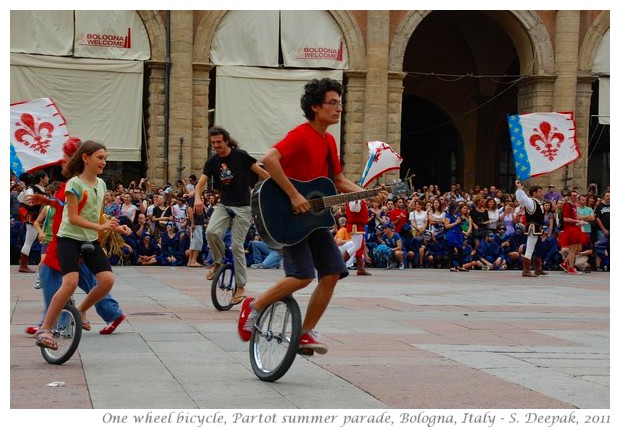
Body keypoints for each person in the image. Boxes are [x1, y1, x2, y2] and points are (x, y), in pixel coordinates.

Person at [237, 77, 385, 355]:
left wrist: (368, 193)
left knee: (332, 272)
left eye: (340, 103)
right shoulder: (301, 134)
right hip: (287, 217)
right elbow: (269, 159)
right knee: (303, 276)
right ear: (316, 107)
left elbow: (338, 180)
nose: (338, 108)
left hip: (314, 221)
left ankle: (305, 332)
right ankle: (253, 306)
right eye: (332, 103)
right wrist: (294, 194)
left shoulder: (329, 141)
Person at [34, 141, 131, 350]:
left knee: (107, 281)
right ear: (85, 158)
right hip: (68, 239)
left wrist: (114, 228)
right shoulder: (74, 185)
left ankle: (79, 310)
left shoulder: (102, 185)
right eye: (99, 157)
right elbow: (74, 219)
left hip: (90, 239)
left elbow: (96, 215)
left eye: (105, 158)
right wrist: (101, 225)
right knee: (70, 282)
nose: (104, 162)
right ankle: (45, 329)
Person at [193, 126, 269, 304]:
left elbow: (263, 173)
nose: (216, 145)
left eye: (219, 142)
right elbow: (200, 184)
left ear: (226, 141)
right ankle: (218, 261)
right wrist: (197, 198)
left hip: (243, 207)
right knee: (211, 232)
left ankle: (240, 286)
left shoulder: (240, 155)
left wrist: (276, 189)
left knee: (236, 246)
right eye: (213, 143)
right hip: (224, 204)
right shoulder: (212, 161)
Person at [17, 170, 49, 273]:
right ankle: (23, 265)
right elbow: (20, 198)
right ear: (41, 178)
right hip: (33, 218)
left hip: (42, 218)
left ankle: (45, 263)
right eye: (46, 177)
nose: (48, 179)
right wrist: (30, 200)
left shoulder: (43, 189)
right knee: (29, 241)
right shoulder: (32, 188)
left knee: (42, 241)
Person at [514, 180, 548, 277]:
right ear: (534, 193)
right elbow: (522, 199)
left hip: (538, 228)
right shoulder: (531, 202)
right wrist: (520, 189)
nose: (542, 193)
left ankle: (538, 269)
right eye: (540, 192)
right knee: (530, 248)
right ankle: (526, 270)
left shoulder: (538, 203)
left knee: (539, 248)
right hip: (533, 228)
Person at [558, 191, 587, 275]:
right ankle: (571, 268)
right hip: (570, 229)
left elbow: (573, 218)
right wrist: (577, 221)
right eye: (573, 196)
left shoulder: (574, 205)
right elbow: (566, 219)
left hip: (575, 228)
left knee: (579, 248)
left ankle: (565, 263)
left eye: (576, 195)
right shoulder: (567, 205)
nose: (575, 197)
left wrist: (579, 222)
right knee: (573, 249)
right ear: (569, 196)